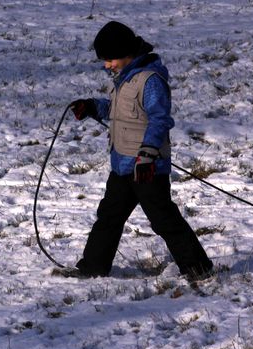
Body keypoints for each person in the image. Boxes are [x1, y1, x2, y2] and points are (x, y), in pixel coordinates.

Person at [68, 21, 214, 281]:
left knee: (163, 219)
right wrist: (91, 106)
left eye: (110, 59)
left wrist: (147, 155)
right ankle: (93, 267)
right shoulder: (123, 79)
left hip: (147, 168)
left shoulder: (150, 81)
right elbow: (118, 112)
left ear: (126, 53)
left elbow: (160, 120)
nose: (107, 65)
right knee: (109, 217)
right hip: (122, 164)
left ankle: (198, 268)